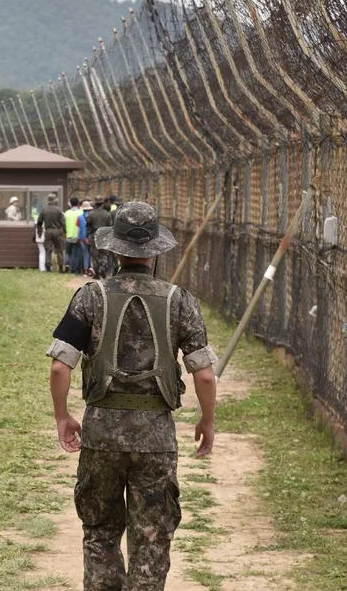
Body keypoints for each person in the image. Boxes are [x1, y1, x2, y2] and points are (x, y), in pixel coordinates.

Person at [46, 201, 218, 591]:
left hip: (101, 433)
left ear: (115, 250)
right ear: (155, 251)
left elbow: (60, 366)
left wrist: (63, 416)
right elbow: (204, 376)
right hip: (156, 436)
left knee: (101, 531)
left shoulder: (90, 297)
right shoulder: (180, 302)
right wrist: (207, 421)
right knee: (152, 537)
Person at [85, 197, 113, 278]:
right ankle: (103, 267)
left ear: (95, 203)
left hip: (95, 235)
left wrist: (88, 235)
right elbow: (110, 226)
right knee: (104, 253)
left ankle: (97, 273)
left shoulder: (91, 214)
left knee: (94, 254)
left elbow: (88, 226)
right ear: (102, 203)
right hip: (104, 236)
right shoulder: (107, 214)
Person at [39, 193, 66, 273]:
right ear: (55, 201)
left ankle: (48, 267)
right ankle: (61, 268)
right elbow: (63, 222)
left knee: (48, 249)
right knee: (59, 249)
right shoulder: (58, 210)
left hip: (48, 231)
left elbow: (39, 221)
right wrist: (64, 231)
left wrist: (39, 230)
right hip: (57, 231)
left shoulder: (44, 209)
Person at [64, 198, 84, 274]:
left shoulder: (66, 213)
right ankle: (74, 269)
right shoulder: (80, 213)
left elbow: (64, 224)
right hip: (77, 236)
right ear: (78, 203)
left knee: (68, 252)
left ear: (70, 204)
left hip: (68, 235)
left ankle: (67, 265)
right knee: (76, 253)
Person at [78, 200, 95, 277]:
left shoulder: (79, 217)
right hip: (91, 237)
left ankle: (85, 271)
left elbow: (78, 228)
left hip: (82, 238)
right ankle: (91, 269)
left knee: (85, 254)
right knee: (92, 254)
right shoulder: (92, 217)